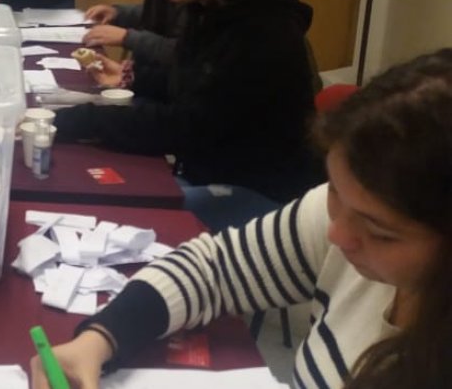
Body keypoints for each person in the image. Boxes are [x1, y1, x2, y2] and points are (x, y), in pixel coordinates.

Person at [32, 48, 452, 389]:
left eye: (380, 233)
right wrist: (100, 339)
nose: (337, 233)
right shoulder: (351, 222)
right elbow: (215, 267)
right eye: (335, 192)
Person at [54, 0, 321, 230]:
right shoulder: (211, 10)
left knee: (114, 215)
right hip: (208, 170)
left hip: (262, 195)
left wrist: (82, 120)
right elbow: (195, 82)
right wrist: (130, 78)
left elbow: (186, 125)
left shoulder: (264, 35)